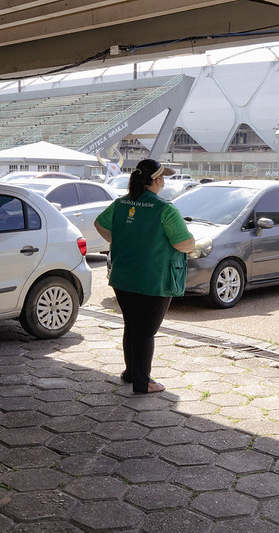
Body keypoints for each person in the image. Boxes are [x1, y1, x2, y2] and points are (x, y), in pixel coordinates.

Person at [94, 159, 195, 394]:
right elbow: (183, 243)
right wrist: (192, 246)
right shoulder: (164, 208)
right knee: (146, 331)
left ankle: (131, 373)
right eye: (163, 177)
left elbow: (100, 224)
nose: (164, 181)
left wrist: (121, 240)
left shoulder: (121, 203)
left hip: (122, 276)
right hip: (153, 279)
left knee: (132, 325)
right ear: (157, 180)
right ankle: (143, 382)